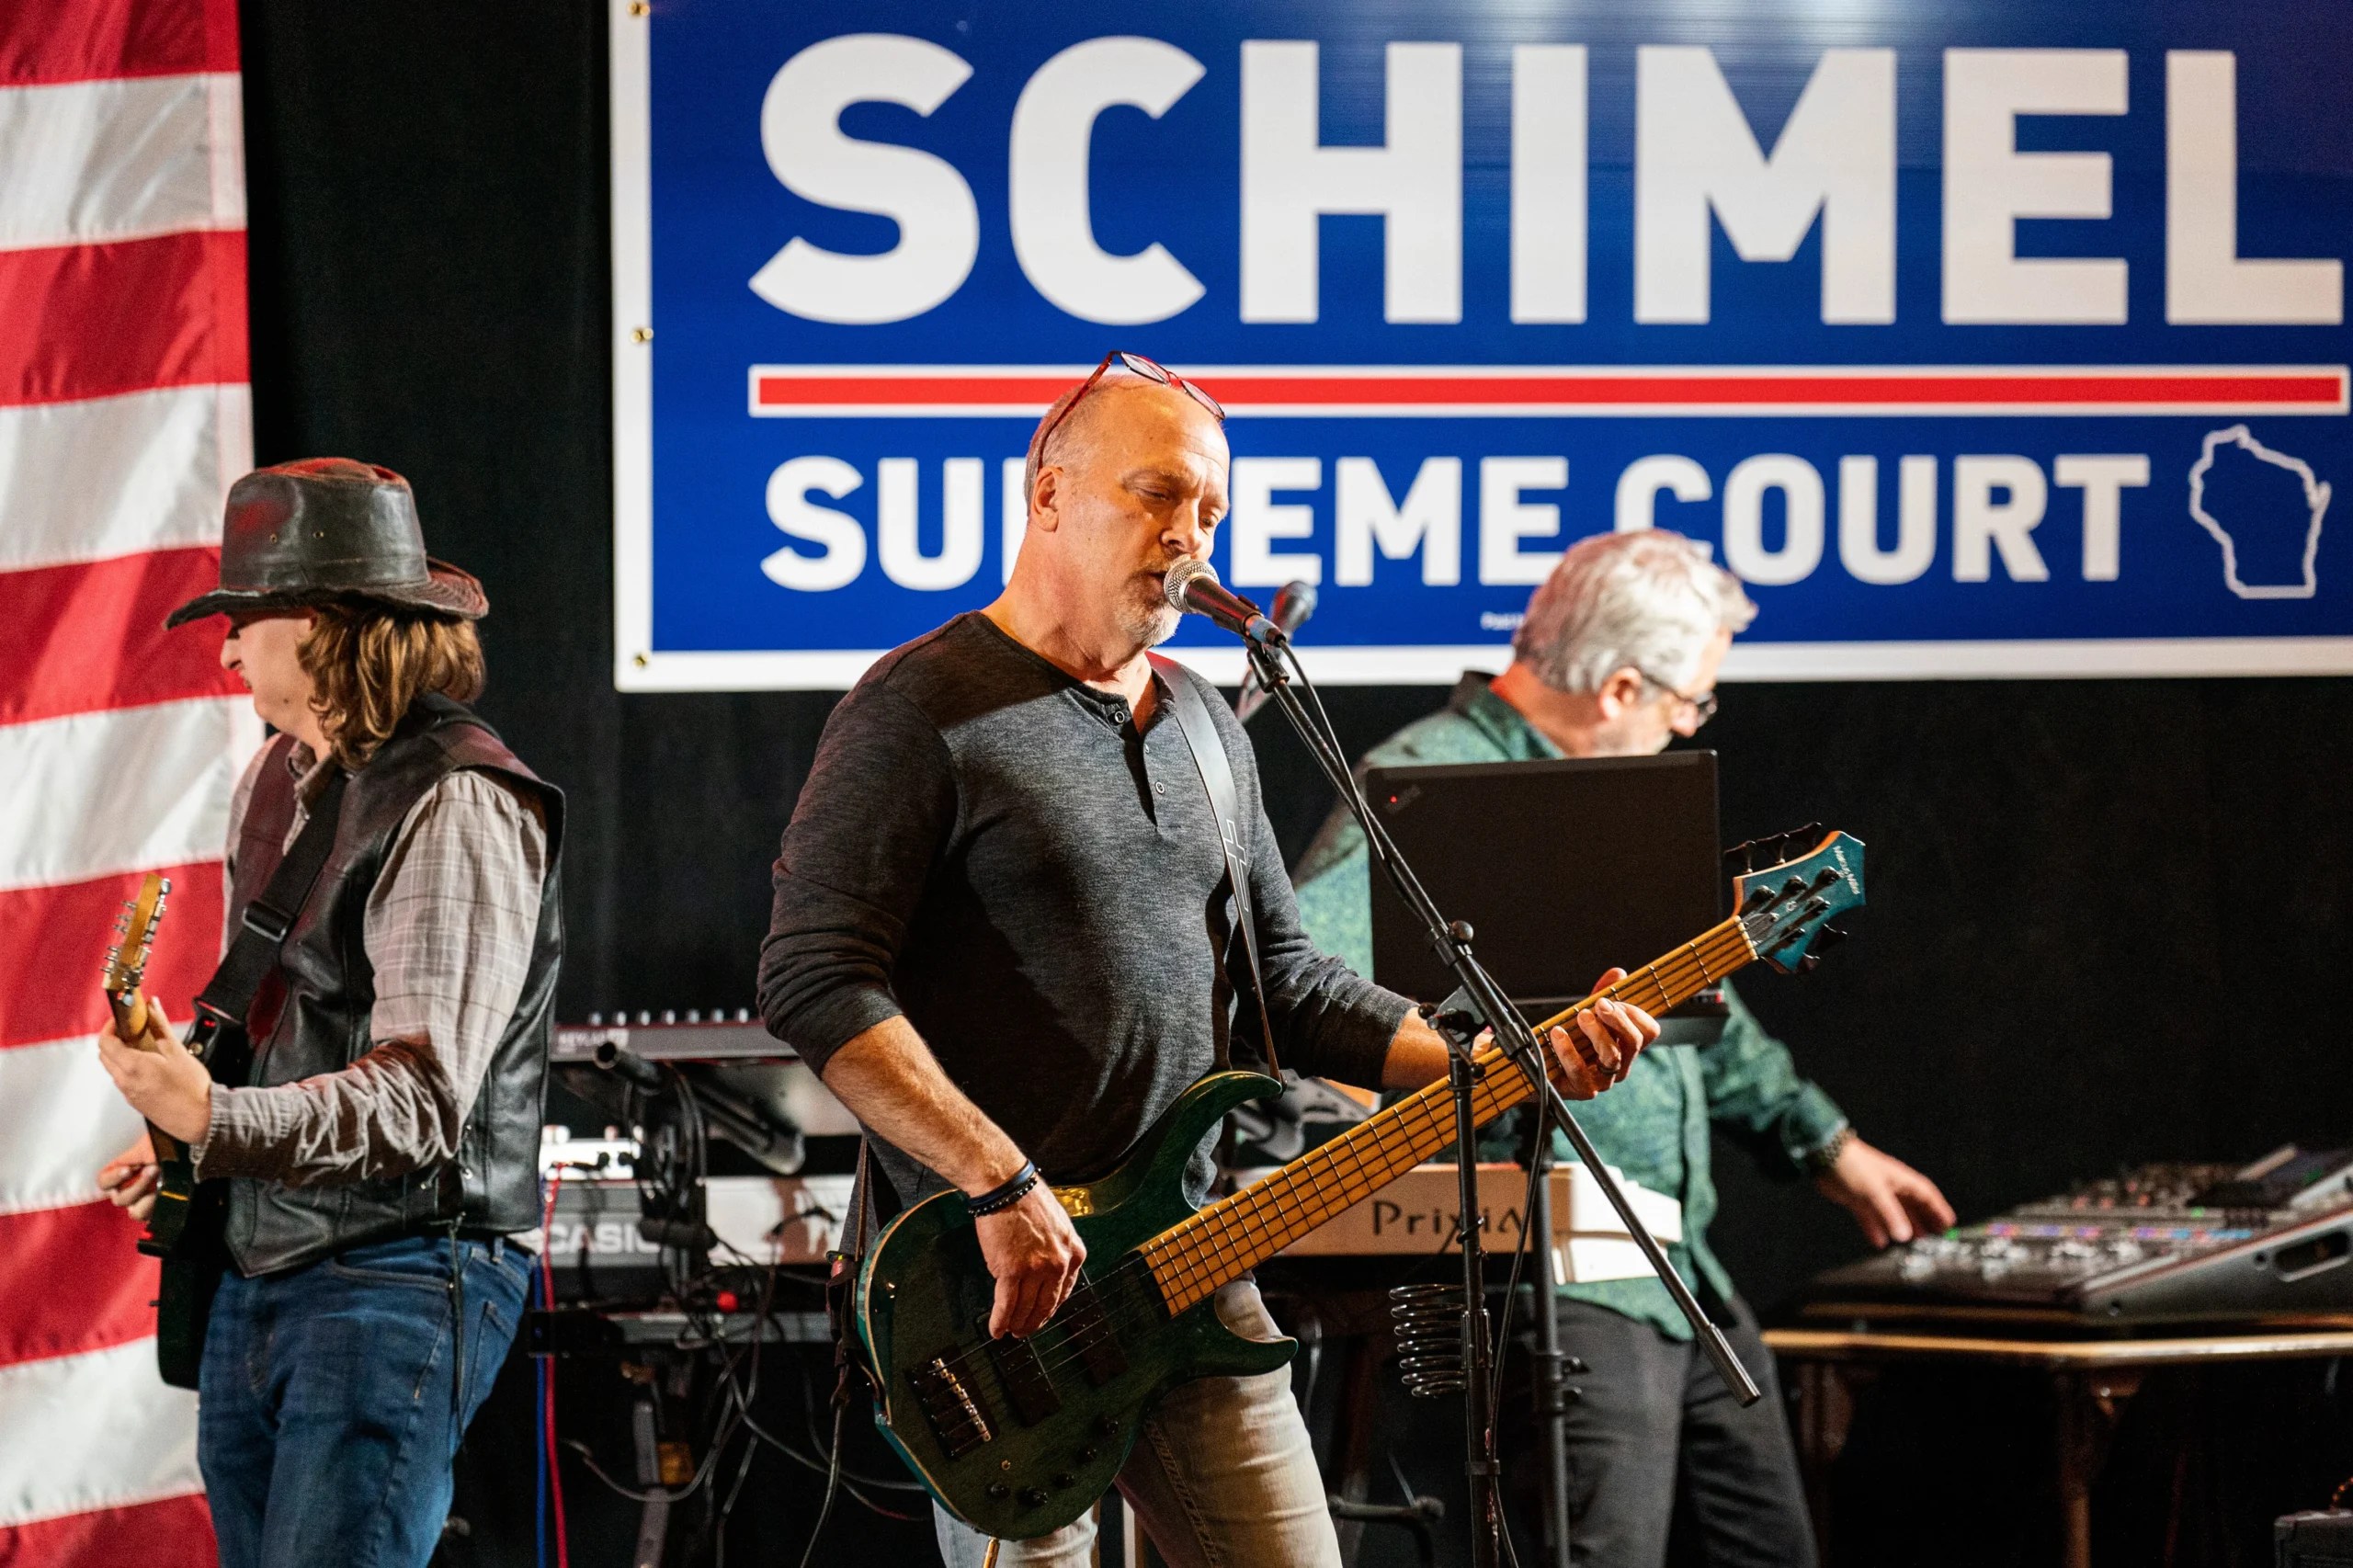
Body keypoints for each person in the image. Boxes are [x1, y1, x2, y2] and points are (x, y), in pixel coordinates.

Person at [756, 353, 1661, 1568]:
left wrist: (1493, 1056)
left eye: (1212, 511)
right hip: (994, 1291)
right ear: (1048, 496)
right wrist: (998, 1181)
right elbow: (814, 977)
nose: (1190, 538)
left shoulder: (1198, 721)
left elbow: (1288, 986)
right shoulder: (918, 708)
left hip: (1186, 1263)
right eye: (1157, 494)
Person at [1292, 528, 1955, 1568]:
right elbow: (1317, 1005)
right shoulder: (1431, 780)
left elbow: (1702, 1015)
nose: (1687, 724)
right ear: (1619, 687)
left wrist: (1826, 1142)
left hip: (1675, 1258)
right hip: (1559, 1273)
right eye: (1687, 703)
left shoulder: (1600, 790)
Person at [93, 459, 560, 1568]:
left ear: (318, 626)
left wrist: (218, 1123)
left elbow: (419, 1101)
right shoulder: (277, 772)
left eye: (244, 620)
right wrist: (183, 1128)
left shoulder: (459, 795)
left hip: (403, 1269)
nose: (223, 648)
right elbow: (286, 1015)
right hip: (265, 1262)